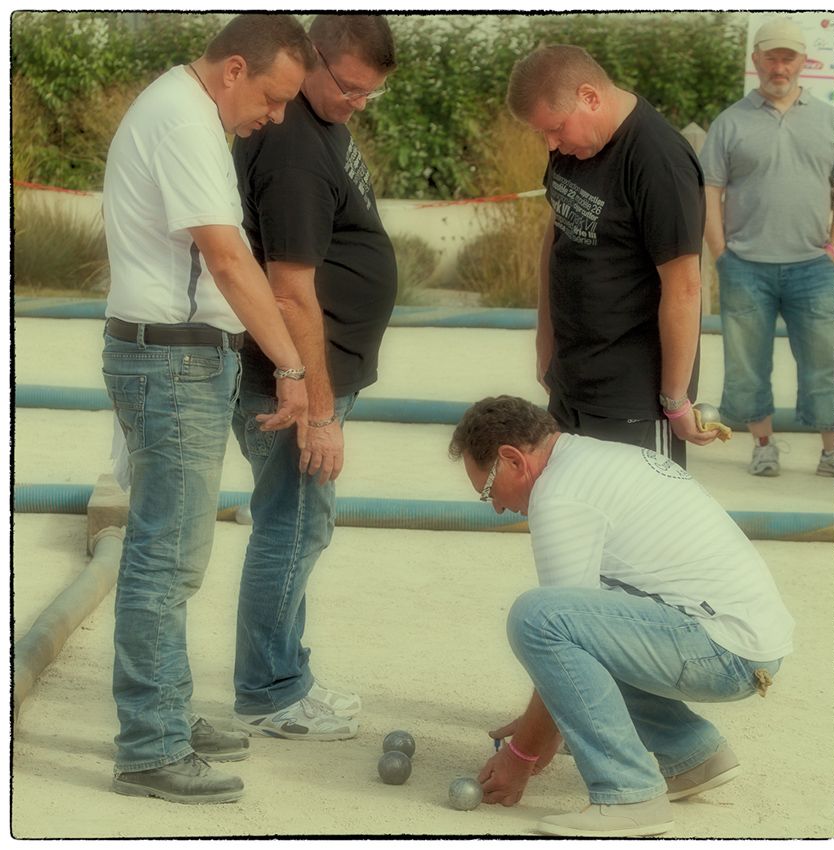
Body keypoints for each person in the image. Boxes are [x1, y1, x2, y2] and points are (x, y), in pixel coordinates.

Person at [102, 14, 315, 804]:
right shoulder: (185, 123)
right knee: (167, 558)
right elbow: (226, 256)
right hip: (173, 360)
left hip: (176, 355)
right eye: (271, 95)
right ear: (233, 69)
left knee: (171, 555)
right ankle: (151, 745)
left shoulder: (182, 110)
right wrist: (290, 365)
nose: (277, 115)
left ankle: (166, 714)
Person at [448, 396, 794, 837]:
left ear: (513, 459)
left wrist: (522, 755)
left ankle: (628, 793)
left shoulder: (559, 495)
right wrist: (552, 710)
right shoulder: (597, 459)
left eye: (487, 490)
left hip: (722, 650)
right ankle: (694, 755)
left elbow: (555, 628)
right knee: (575, 617)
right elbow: (587, 631)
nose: (495, 506)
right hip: (744, 641)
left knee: (533, 616)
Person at [229, 15, 397, 741]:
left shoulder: (322, 117)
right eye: (350, 88)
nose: (357, 103)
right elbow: (292, 290)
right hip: (288, 384)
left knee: (297, 524)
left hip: (312, 376)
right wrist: (321, 411)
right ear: (315, 60)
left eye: (370, 95)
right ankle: (270, 692)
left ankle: (284, 672)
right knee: (291, 527)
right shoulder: (293, 141)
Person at [506, 45, 719, 468]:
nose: (552, 143)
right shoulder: (572, 145)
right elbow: (558, 234)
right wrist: (544, 341)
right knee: (580, 515)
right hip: (571, 380)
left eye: (556, 128)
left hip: (633, 396)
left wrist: (675, 401)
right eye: (542, 133)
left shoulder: (659, 161)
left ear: (590, 96)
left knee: (637, 529)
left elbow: (685, 286)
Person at [700, 18, 834, 478]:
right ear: (756, 59)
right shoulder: (729, 123)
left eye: (789, 57)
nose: (780, 66)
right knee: (746, 368)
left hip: (815, 266)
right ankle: (762, 447)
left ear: (803, 62)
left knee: (826, 364)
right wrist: (722, 254)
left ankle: (831, 451)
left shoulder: (832, 119)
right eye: (771, 56)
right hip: (746, 267)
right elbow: (710, 192)